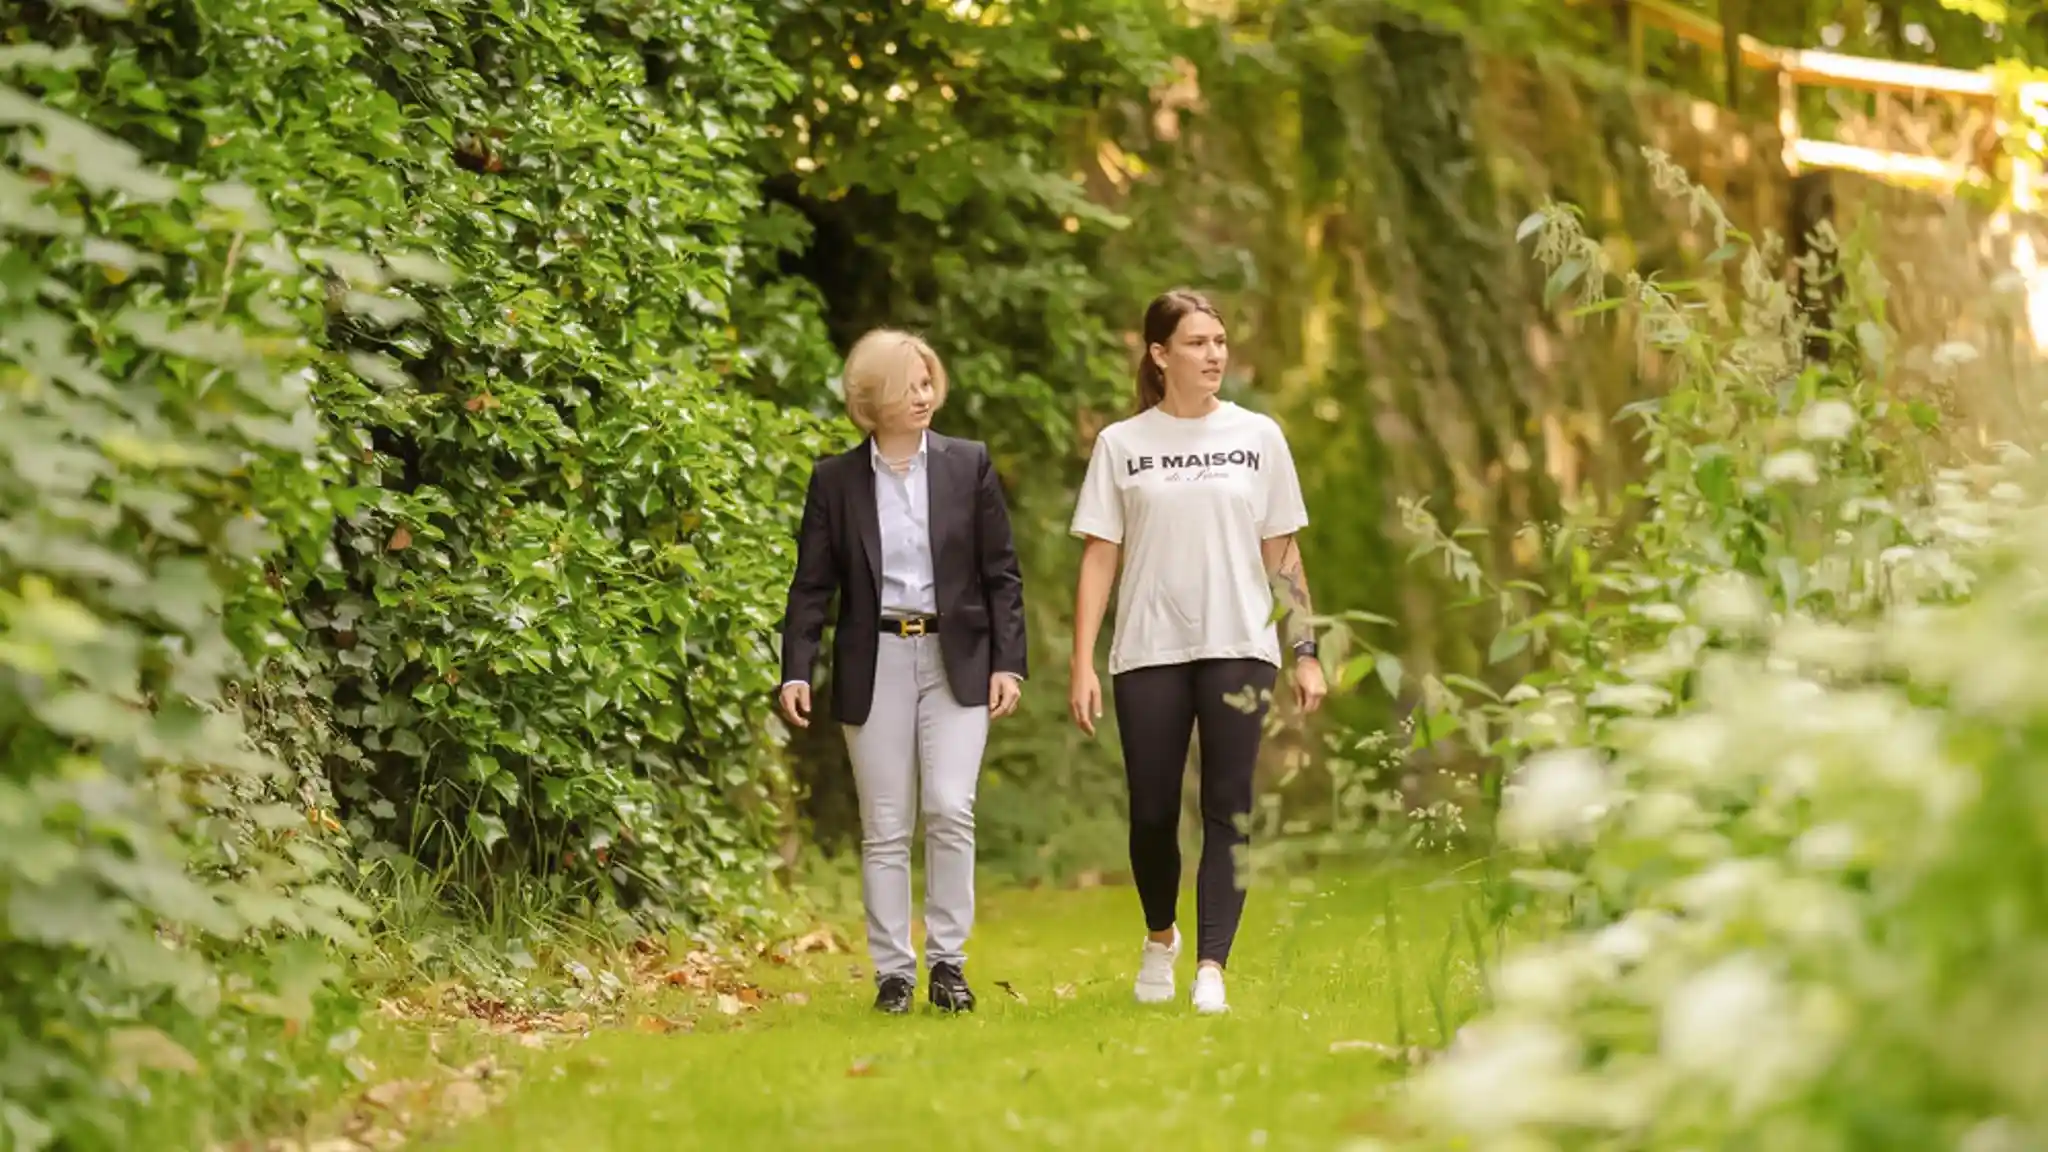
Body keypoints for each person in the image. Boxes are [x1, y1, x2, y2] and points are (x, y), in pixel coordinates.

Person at [1066, 289, 1326, 1016]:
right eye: (1197, 343)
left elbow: (1283, 554)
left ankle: (1213, 966)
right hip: (1149, 648)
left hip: (1239, 642)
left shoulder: (1258, 436)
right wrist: (1082, 661)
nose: (1214, 355)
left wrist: (1305, 648)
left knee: (1227, 808)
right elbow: (1099, 556)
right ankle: (1161, 936)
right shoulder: (1122, 444)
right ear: (1159, 354)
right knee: (1152, 813)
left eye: (1219, 341)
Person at [778, 328, 1028, 1015]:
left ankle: (949, 965)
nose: (923, 397)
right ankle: (894, 973)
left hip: (957, 657)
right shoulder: (835, 481)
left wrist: (1009, 663)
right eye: (907, 387)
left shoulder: (967, 464)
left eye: (927, 383)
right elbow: (811, 586)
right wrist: (796, 669)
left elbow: (1001, 574)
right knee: (886, 825)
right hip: (876, 658)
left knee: (949, 806)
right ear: (873, 398)